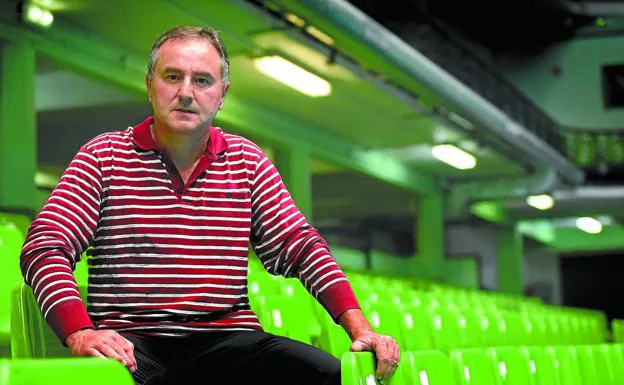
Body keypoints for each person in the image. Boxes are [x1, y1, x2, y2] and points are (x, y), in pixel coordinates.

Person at [20, 25, 400, 385]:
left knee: (334, 378)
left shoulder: (247, 161)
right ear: (150, 85)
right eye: (172, 77)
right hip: (133, 343)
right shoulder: (103, 155)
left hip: (229, 339)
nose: (186, 91)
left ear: (222, 94)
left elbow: (300, 247)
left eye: (202, 80)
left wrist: (360, 329)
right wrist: (80, 331)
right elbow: (45, 246)